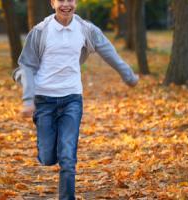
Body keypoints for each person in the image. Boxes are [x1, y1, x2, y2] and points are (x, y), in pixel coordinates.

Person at [12, 0, 139, 199]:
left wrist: (128, 76)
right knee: (47, 157)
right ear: (52, 3)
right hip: (43, 99)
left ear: (76, 2)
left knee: (68, 157)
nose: (66, 4)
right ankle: (46, 148)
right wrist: (28, 100)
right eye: (61, 0)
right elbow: (27, 64)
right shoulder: (40, 31)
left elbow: (109, 52)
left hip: (72, 98)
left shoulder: (86, 30)